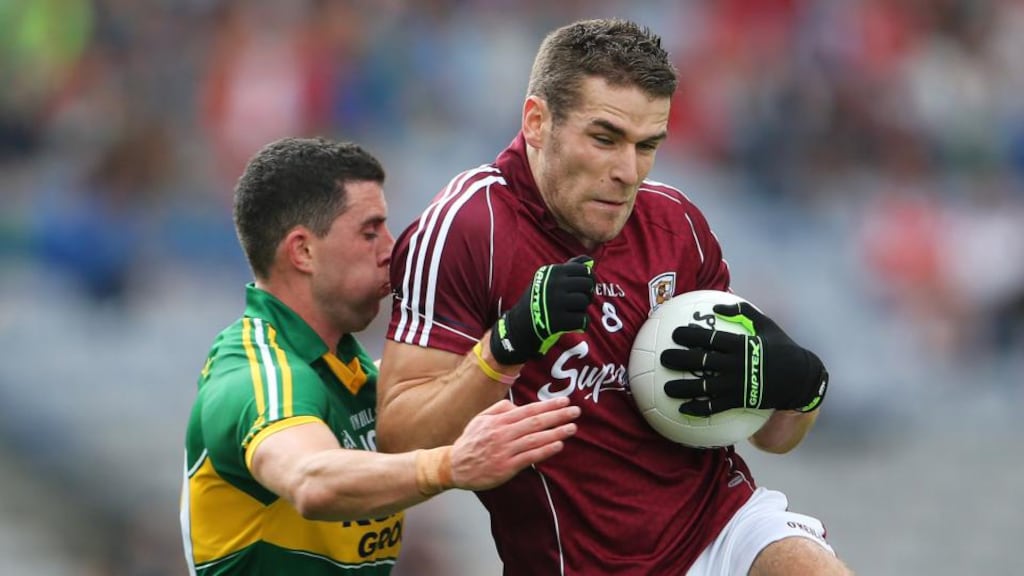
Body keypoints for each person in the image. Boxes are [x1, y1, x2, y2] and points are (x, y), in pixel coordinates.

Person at [377, 19, 851, 575]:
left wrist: (801, 385)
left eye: (646, 145)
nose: (627, 172)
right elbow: (399, 438)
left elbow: (774, 435)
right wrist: (507, 345)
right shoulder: (465, 230)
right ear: (537, 122)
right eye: (604, 139)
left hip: (721, 524)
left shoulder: (676, 225)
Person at [180, 137, 581, 575]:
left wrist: (514, 339)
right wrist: (448, 466)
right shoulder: (260, 375)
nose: (393, 248)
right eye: (370, 232)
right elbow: (311, 479)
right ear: (303, 251)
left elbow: (443, 391)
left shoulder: (349, 374)